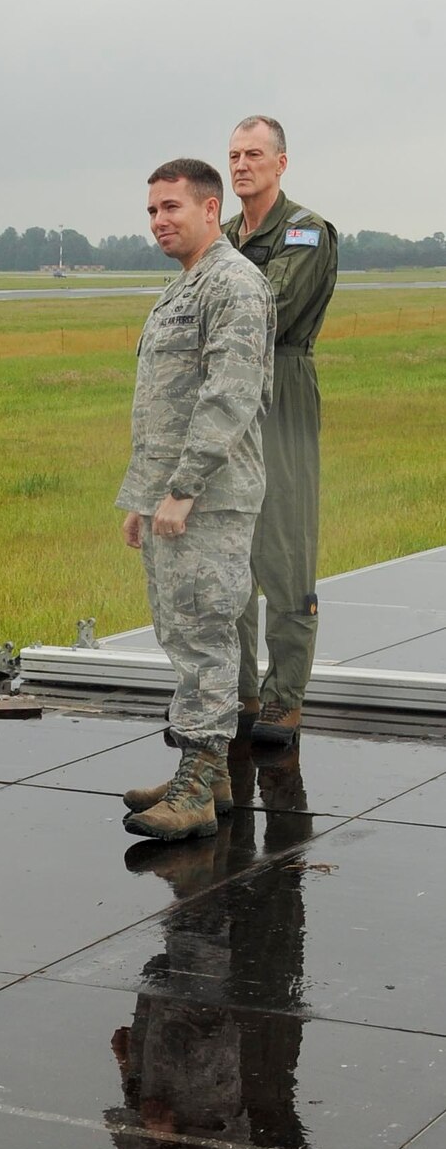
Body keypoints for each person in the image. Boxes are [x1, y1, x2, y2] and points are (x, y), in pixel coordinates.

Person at [118, 159, 275, 843]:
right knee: (182, 631)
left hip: (208, 498)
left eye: (172, 207)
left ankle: (199, 783)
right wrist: (142, 497)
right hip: (172, 495)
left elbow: (227, 398)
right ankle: (210, 775)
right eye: (152, 209)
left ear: (211, 209)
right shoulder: (183, 286)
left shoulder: (234, 284)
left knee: (206, 633)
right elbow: (160, 405)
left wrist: (182, 490)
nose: (159, 220)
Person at [225, 117, 339, 746]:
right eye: (235, 155)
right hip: (226, 393)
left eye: (255, 154)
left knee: (285, 545)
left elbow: (267, 312)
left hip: (283, 386)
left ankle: (284, 698)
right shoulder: (221, 236)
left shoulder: (304, 231)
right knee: (231, 546)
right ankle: (238, 691)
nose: (243, 165)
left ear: (281, 162)